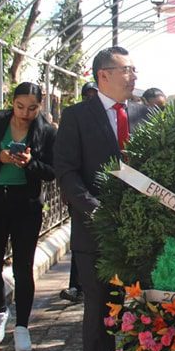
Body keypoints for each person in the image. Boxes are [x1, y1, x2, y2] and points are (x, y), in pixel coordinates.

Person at [54, 46, 157, 351]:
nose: (132, 76)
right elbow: (65, 172)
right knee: (98, 315)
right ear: (103, 75)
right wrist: (94, 209)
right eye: (126, 70)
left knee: (140, 305)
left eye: (134, 69)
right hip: (95, 235)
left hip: (140, 235)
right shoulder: (77, 117)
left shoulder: (147, 114)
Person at [0, 82, 57, 351]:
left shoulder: (47, 131)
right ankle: (0, 311)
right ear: (12, 102)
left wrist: (29, 163)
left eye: (32, 108)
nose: (24, 113)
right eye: (20, 106)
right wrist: (0, 156)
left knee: (22, 267)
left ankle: (22, 328)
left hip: (25, 205)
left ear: (39, 107)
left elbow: (51, 171)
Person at [60, 83, 100, 306]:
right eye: (87, 96)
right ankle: (77, 285)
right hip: (83, 201)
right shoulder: (75, 117)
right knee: (84, 249)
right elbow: (65, 165)